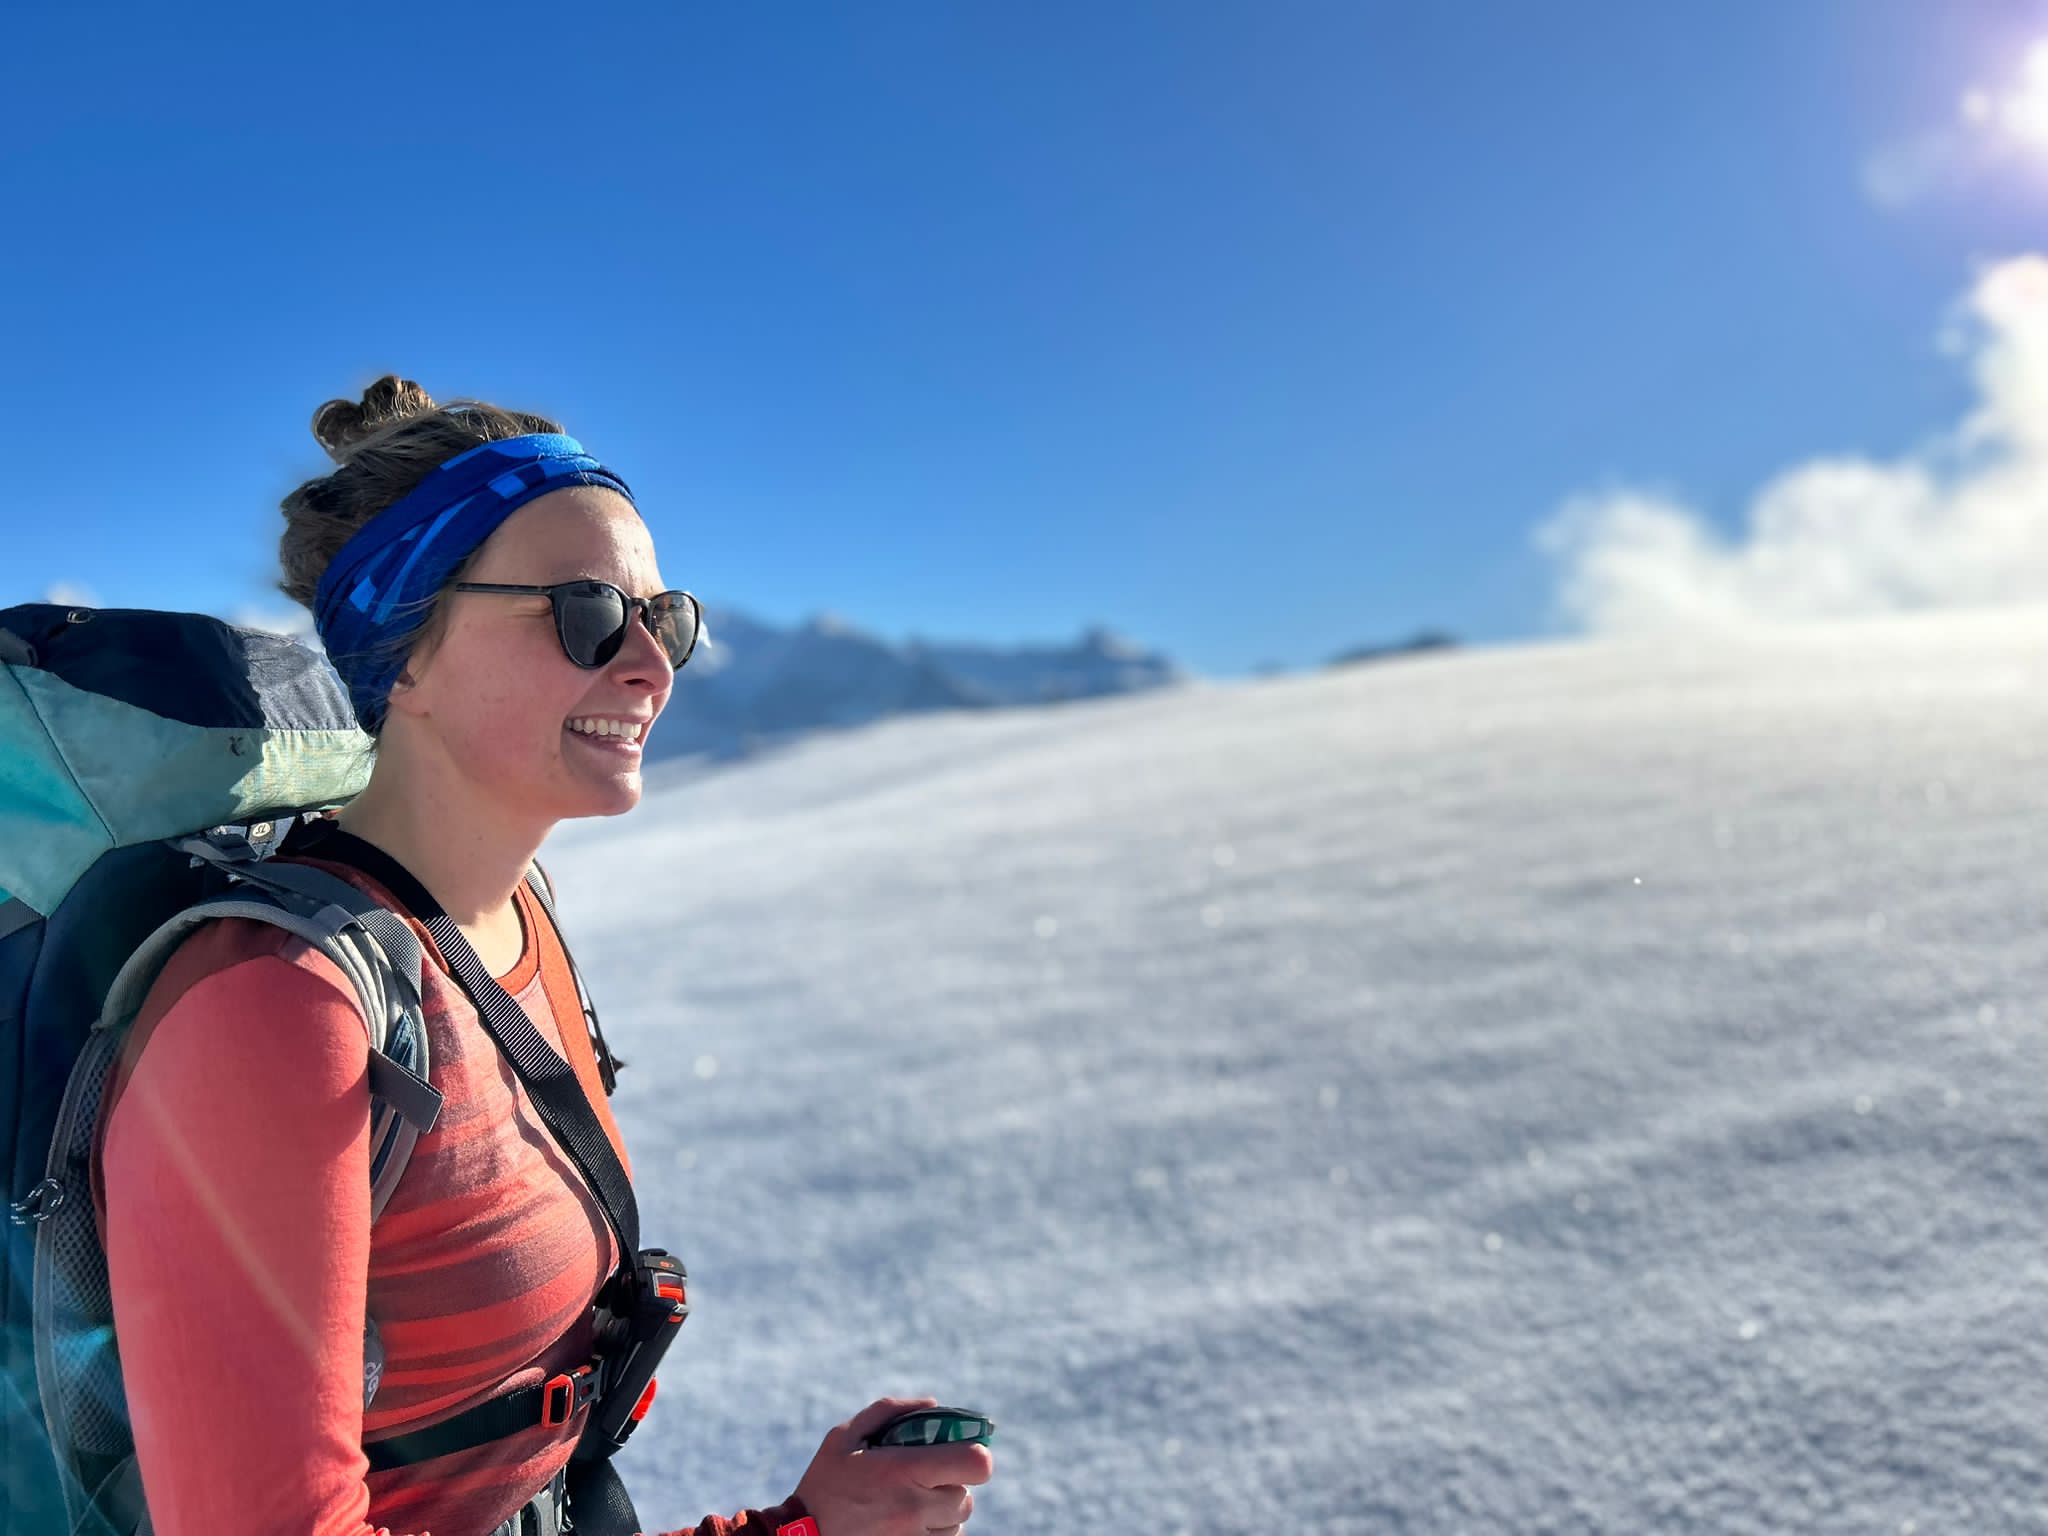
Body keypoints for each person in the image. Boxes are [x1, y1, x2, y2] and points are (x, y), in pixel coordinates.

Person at [89, 376, 995, 1536]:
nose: (652, 663)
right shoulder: (274, 1011)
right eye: (586, 612)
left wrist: (801, 1528)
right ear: (404, 654)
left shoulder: (512, 921)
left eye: (664, 619)